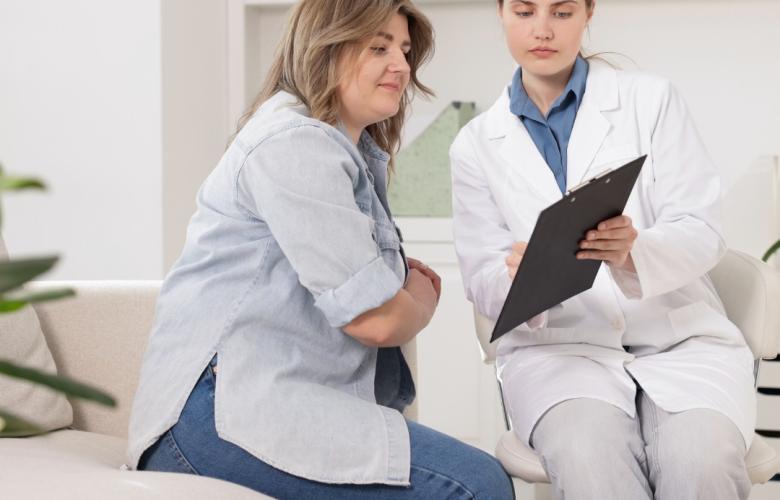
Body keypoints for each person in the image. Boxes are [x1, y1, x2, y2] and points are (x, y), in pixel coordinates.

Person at [126, 1, 514, 498]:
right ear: (325, 48)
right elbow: (377, 319)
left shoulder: (340, 148)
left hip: (257, 400)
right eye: (378, 48)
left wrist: (398, 293)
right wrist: (420, 298)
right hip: (213, 415)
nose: (401, 65)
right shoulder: (294, 143)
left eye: (404, 50)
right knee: (476, 485)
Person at [450, 1, 755, 499]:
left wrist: (634, 251)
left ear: (588, 12)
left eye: (562, 12)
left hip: (680, 343)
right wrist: (520, 278)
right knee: (591, 461)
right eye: (524, 12)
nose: (542, 30)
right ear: (500, 12)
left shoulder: (651, 101)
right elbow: (482, 276)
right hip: (559, 354)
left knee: (701, 461)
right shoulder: (475, 144)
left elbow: (702, 229)